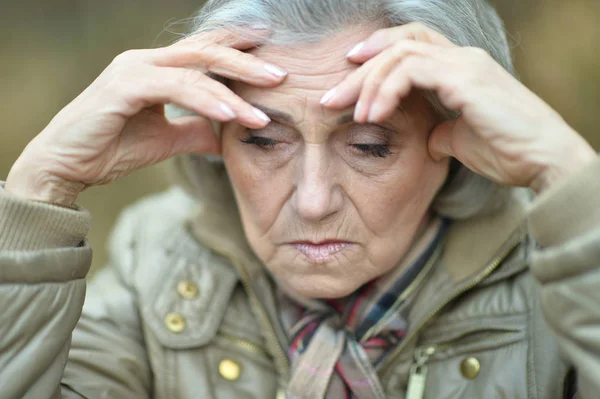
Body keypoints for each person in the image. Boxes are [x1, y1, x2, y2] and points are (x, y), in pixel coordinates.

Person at [1, 0, 598, 397]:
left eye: (367, 145)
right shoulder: (154, 259)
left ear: (456, 138)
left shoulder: (554, 281)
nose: (312, 202)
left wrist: (574, 182)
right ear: (215, 136)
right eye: (263, 140)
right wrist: (38, 191)